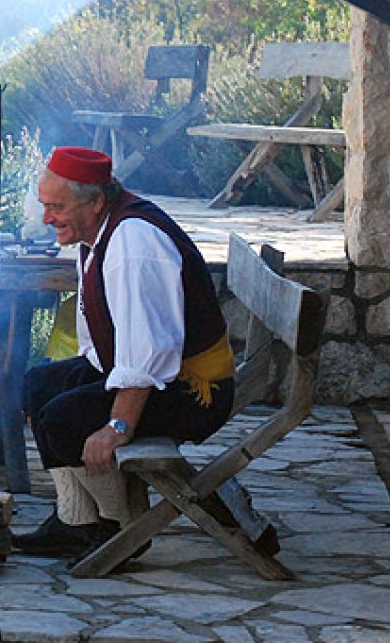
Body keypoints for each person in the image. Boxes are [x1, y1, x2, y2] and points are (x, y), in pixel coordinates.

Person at [13, 146, 234, 558]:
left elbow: (149, 347)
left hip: (193, 391)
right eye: (44, 205)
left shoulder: (133, 242)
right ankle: (75, 520)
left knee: (65, 419)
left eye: (57, 207)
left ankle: (121, 528)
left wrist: (117, 426)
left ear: (96, 201)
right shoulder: (98, 231)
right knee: (39, 384)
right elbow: (107, 339)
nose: (47, 218)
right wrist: (82, 380)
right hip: (161, 374)